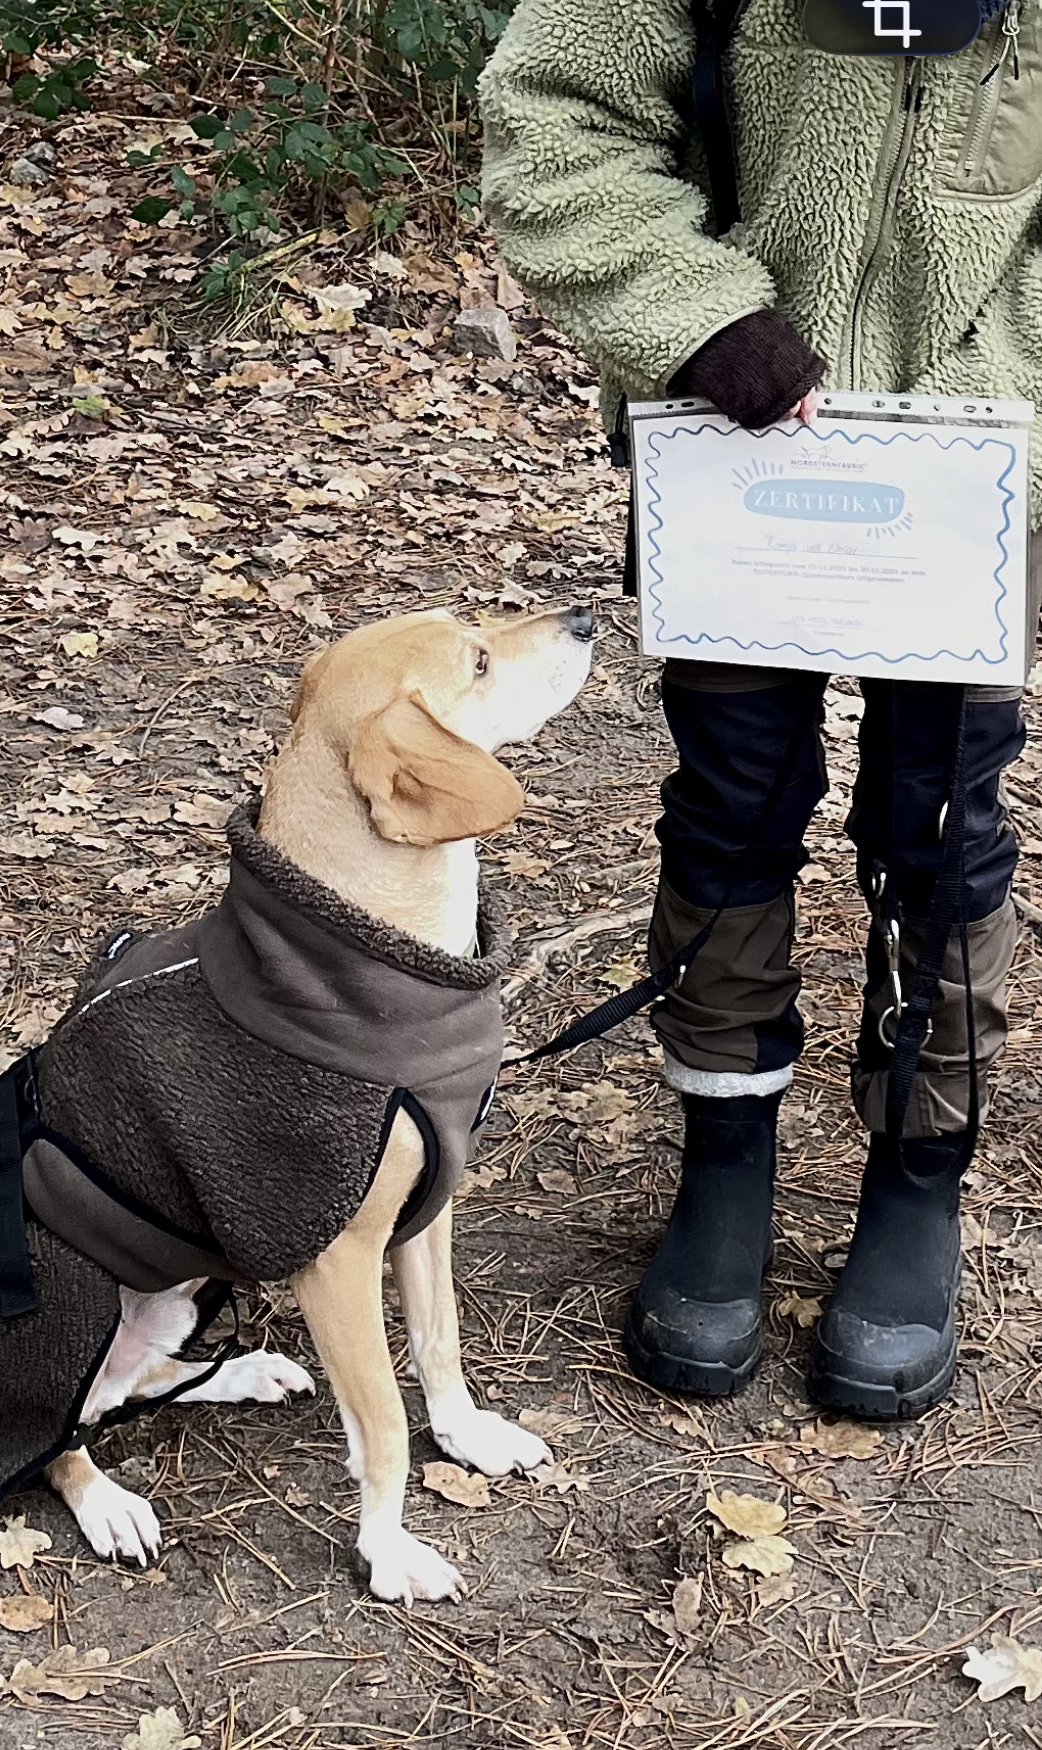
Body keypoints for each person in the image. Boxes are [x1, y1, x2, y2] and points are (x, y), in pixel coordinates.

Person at [480, 0, 1040, 1418]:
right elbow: (558, 110)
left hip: (978, 474)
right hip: (732, 461)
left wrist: (1008, 389)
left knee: (942, 827)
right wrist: (693, 313)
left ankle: (917, 1175)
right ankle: (721, 1158)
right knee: (729, 806)